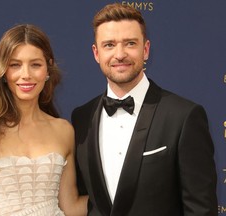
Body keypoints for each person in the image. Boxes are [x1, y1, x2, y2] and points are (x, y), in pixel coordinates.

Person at [71, 3, 218, 216]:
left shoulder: (183, 116)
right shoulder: (82, 117)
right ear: (96, 53)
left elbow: (201, 209)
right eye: (109, 45)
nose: (119, 54)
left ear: (145, 49)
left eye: (130, 43)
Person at [0, 24, 87, 216]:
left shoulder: (63, 130)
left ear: (48, 69)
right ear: (3, 71)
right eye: (15, 65)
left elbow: (71, 208)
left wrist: (130, 192)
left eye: (35, 65)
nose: (26, 75)